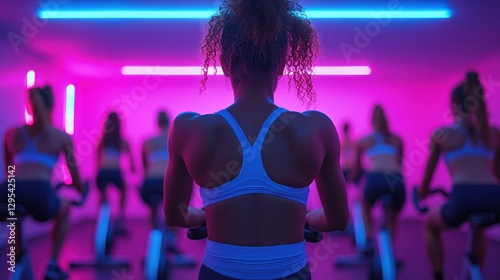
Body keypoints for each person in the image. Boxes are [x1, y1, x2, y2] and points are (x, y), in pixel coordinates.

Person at [163, 0, 349, 279]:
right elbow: (337, 219)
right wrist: (305, 220)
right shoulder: (316, 128)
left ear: (225, 62)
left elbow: (175, 215)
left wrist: (204, 216)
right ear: (282, 64)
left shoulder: (188, 129)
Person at [418, 71, 500, 280]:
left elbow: (427, 178)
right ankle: (476, 273)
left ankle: (438, 276)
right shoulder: (494, 133)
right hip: (495, 196)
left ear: (454, 105)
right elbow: (497, 174)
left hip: (464, 195)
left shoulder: (442, 134)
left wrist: (423, 194)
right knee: (478, 227)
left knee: (429, 223)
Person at [1, 86, 85, 280]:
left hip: (8, 191)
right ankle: (53, 265)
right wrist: (81, 189)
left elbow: (10, 172)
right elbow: (75, 176)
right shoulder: (62, 137)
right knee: (65, 208)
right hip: (39, 191)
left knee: (14, 217)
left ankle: (16, 264)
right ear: (52, 106)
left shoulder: (11, 134)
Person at [139, 111, 195, 266]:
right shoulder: (176, 139)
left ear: (157, 123)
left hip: (150, 183)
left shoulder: (147, 142)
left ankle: (155, 238)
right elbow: (183, 165)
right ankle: (171, 240)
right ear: (169, 122)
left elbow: (145, 166)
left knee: (153, 206)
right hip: (168, 182)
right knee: (179, 210)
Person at [351, 104, 405, 250]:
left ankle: (368, 237)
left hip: (376, 179)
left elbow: (356, 169)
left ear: (372, 121)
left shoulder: (364, 141)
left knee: (364, 204)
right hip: (396, 180)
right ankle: (389, 248)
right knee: (393, 214)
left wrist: (352, 178)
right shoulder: (397, 140)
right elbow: (400, 163)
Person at [96, 111, 135, 232]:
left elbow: (97, 160)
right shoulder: (123, 142)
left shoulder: (101, 141)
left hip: (103, 173)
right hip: (116, 173)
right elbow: (132, 164)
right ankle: (120, 218)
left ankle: (104, 215)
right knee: (124, 189)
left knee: (103, 193)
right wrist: (133, 170)